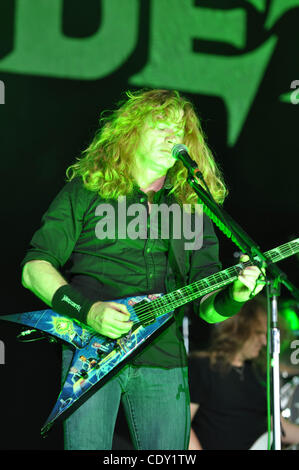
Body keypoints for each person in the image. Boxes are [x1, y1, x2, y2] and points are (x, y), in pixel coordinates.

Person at [21, 89, 264, 450]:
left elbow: (208, 307)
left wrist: (236, 295)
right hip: (90, 351)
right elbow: (33, 268)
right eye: (161, 127)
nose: (171, 138)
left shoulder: (192, 207)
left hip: (163, 360)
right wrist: (88, 311)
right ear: (131, 131)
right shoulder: (86, 191)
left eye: (179, 132)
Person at [188, 297, 299, 450]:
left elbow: (280, 428)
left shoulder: (261, 372)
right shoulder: (203, 366)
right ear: (239, 330)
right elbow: (183, 426)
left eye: (265, 335)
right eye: (259, 333)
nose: (264, 342)